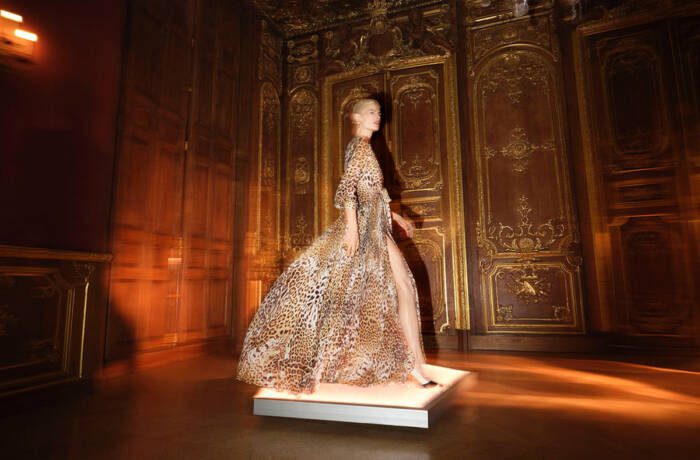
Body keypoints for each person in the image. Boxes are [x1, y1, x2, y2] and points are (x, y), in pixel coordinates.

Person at [237, 98, 437, 394]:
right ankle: (411, 365)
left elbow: (373, 193)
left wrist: (398, 217)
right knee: (388, 291)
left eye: (379, 112)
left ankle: (411, 364)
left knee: (390, 290)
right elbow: (346, 191)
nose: (377, 116)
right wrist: (354, 231)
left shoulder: (366, 149)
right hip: (367, 228)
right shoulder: (358, 147)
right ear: (356, 117)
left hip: (376, 226)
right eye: (371, 112)